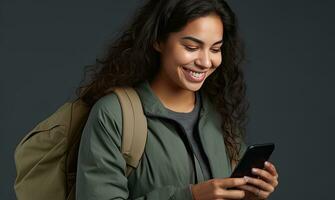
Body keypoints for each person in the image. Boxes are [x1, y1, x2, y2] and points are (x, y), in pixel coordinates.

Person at [75, 0, 279, 199]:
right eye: (191, 47)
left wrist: (248, 194)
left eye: (215, 49)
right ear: (158, 40)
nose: (206, 62)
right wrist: (190, 196)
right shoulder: (114, 114)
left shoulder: (217, 113)